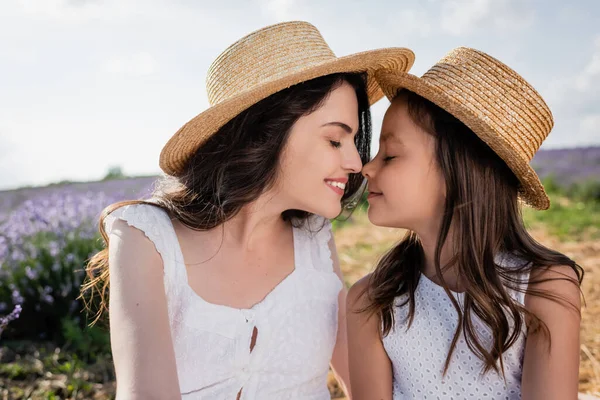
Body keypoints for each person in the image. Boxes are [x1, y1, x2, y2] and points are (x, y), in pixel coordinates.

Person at [82, 21, 414, 399]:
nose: (356, 162)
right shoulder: (146, 236)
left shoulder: (314, 237)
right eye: (335, 140)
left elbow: (361, 385)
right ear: (265, 133)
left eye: (353, 140)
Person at [347, 47, 583, 400]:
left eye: (391, 155)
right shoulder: (370, 301)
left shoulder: (543, 288)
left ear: (457, 171)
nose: (367, 167)